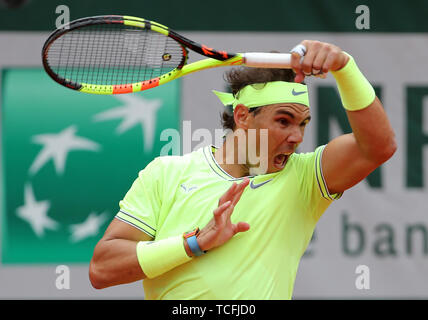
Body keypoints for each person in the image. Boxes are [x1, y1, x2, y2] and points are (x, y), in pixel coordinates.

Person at [89, 40, 396, 299]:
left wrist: (345, 68)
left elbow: (379, 146)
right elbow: (102, 269)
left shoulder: (305, 179)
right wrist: (194, 244)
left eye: (303, 124)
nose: (297, 137)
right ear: (242, 116)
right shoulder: (166, 173)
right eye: (283, 121)